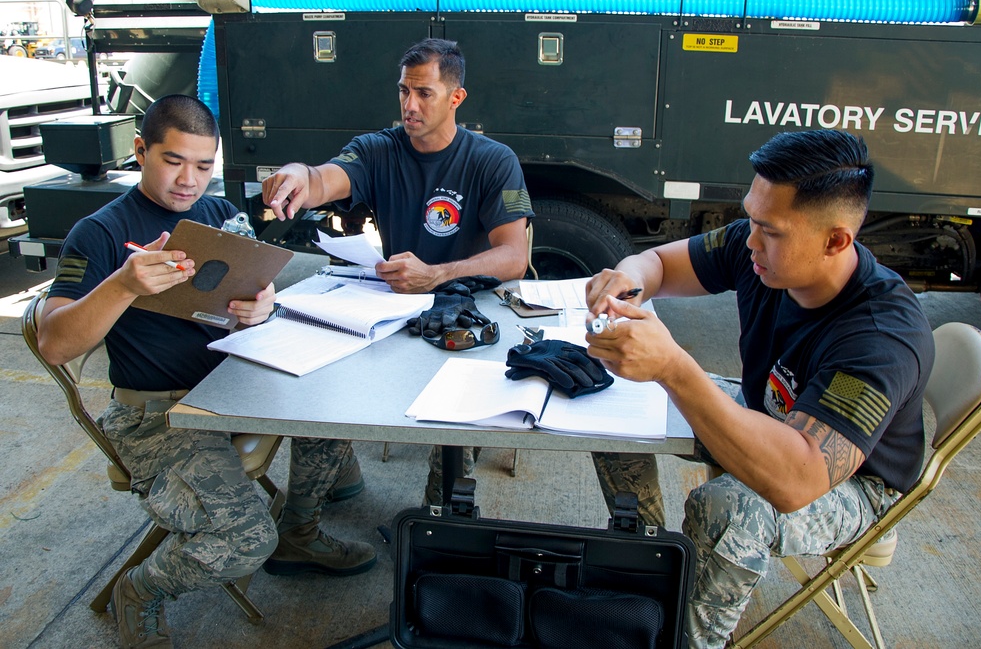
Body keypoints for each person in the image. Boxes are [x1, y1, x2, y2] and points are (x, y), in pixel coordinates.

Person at [37, 94, 376, 649]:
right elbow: (54, 343)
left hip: (233, 381)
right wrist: (123, 284)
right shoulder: (99, 232)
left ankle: (300, 534)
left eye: (203, 165)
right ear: (141, 151)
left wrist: (258, 308)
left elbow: (248, 297)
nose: (188, 180)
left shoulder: (219, 215)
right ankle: (140, 590)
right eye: (173, 162)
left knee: (340, 396)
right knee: (243, 540)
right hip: (160, 415)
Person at [583, 129, 934, 648]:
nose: (749, 240)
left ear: (836, 240)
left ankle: (690, 639)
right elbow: (655, 264)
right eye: (751, 218)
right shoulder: (763, 251)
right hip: (773, 417)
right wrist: (624, 280)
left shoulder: (882, 337)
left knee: (728, 508)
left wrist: (675, 368)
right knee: (613, 391)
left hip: (853, 481)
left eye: (769, 230)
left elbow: (796, 479)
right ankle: (648, 560)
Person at [262, 38, 533, 505]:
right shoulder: (377, 150)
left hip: (464, 314)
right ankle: (300, 528)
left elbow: (515, 257)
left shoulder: (493, 161)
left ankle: (439, 523)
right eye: (404, 91)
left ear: (455, 97)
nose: (410, 105)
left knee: (455, 427)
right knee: (317, 383)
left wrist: (437, 274)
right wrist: (297, 174)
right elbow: (325, 177)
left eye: (424, 93)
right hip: (393, 306)